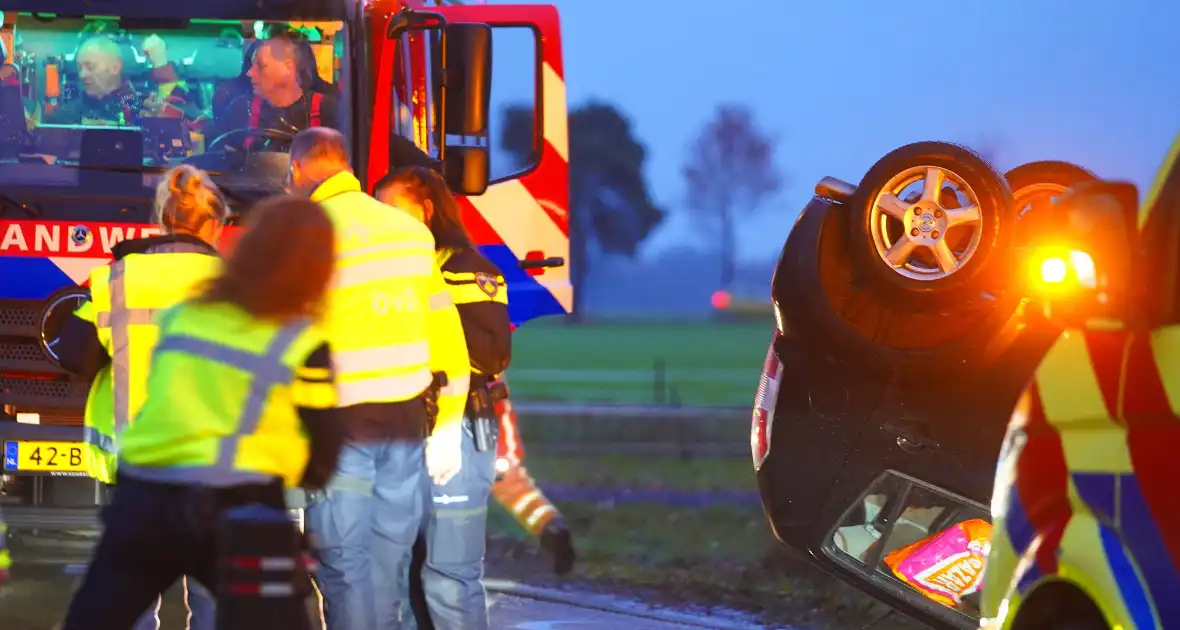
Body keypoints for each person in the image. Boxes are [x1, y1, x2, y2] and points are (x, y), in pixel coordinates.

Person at [60, 195, 345, 630]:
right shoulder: (299, 338)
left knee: (101, 618)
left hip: (146, 494)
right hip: (240, 503)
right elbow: (322, 456)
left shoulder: (184, 316)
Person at [287, 127, 469, 630]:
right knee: (388, 566)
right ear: (347, 166)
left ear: (297, 171)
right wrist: (449, 427)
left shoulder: (304, 231)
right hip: (407, 426)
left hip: (341, 426)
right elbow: (449, 338)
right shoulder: (411, 233)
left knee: (344, 565)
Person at [57, 164, 228, 630]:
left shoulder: (115, 277)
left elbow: (76, 356)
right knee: (216, 596)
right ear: (215, 223)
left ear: (163, 219)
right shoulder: (237, 281)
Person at [376, 166, 511, 629]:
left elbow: (491, 353)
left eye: (391, 210)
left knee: (448, 578)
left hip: (458, 428)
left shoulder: (464, 269)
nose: (381, 221)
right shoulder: (389, 270)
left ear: (426, 211)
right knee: (394, 578)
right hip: (402, 431)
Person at [489, 377, 577, 576]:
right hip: (487, 445)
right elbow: (501, 412)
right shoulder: (489, 365)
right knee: (516, 491)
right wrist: (508, 456)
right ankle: (551, 526)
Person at [212, 35, 339, 148]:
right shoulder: (239, 109)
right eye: (251, 66)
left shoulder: (326, 110)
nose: (249, 73)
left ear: (288, 68)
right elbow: (220, 159)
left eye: (260, 66)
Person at [46, 33, 184, 125]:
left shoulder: (145, 107)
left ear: (115, 67)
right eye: (79, 67)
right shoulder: (63, 116)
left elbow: (189, 120)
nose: (82, 74)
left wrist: (161, 64)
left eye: (90, 66)